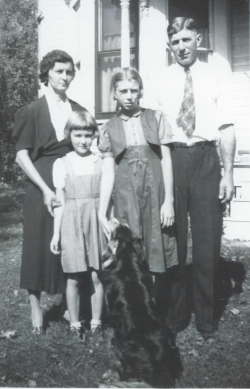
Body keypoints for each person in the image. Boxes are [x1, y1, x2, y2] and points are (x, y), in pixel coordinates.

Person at [146, 17, 236, 339]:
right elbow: (152, 133)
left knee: (208, 241)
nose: (181, 47)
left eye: (186, 39)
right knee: (173, 242)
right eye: (175, 42)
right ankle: (175, 315)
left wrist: (229, 174)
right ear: (169, 46)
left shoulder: (215, 76)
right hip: (172, 160)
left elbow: (226, 127)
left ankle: (207, 319)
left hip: (205, 159)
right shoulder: (159, 80)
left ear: (198, 39)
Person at [12, 50, 88, 334]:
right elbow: (22, 156)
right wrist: (45, 189)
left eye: (68, 72)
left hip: (70, 183)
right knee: (37, 245)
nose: (64, 77)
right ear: (46, 75)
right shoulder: (31, 111)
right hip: (40, 184)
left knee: (69, 243)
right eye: (58, 71)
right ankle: (35, 305)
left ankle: (71, 307)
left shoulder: (79, 110)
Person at [98, 67, 178, 301]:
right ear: (114, 93)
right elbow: (108, 172)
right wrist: (103, 211)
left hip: (155, 193)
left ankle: (156, 306)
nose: (129, 95)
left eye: (134, 90)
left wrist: (169, 201)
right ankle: (136, 306)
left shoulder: (156, 117)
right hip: (126, 196)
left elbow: (166, 160)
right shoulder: (108, 128)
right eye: (123, 91)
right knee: (131, 249)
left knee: (156, 246)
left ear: (141, 91)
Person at [50, 111, 105, 337]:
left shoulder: (101, 162)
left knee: (96, 275)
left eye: (87, 135)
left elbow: (108, 198)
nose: (83, 141)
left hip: (95, 220)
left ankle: (96, 322)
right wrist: (56, 234)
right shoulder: (62, 163)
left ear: (94, 136)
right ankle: (74, 323)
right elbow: (60, 203)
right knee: (73, 276)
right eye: (78, 134)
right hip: (71, 222)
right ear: (69, 135)